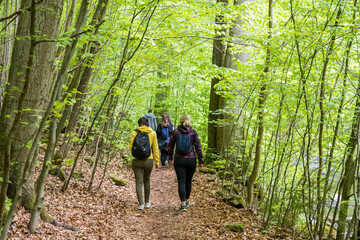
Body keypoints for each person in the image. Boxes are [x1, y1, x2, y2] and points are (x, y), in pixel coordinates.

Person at [168, 114, 203, 211]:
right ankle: (187, 200)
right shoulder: (193, 132)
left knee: (181, 182)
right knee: (188, 181)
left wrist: (170, 157)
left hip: (179, 160)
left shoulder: (175, 132)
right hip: (191, 160)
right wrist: (201, 160)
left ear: (180, 121)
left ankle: (183, 204)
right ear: (189, 120)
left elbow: (170, 146)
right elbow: (198, 147)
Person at [129, 117, 160, 210]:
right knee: (146, 180)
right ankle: (147, 202)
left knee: (139, 182)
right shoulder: (152, 133)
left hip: (136, 160)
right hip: (148, 160)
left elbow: (131, 147)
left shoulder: (134, 132)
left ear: (139, 124)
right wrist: (157, 161)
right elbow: (155, 149)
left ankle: (140, 204)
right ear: (147, 123)